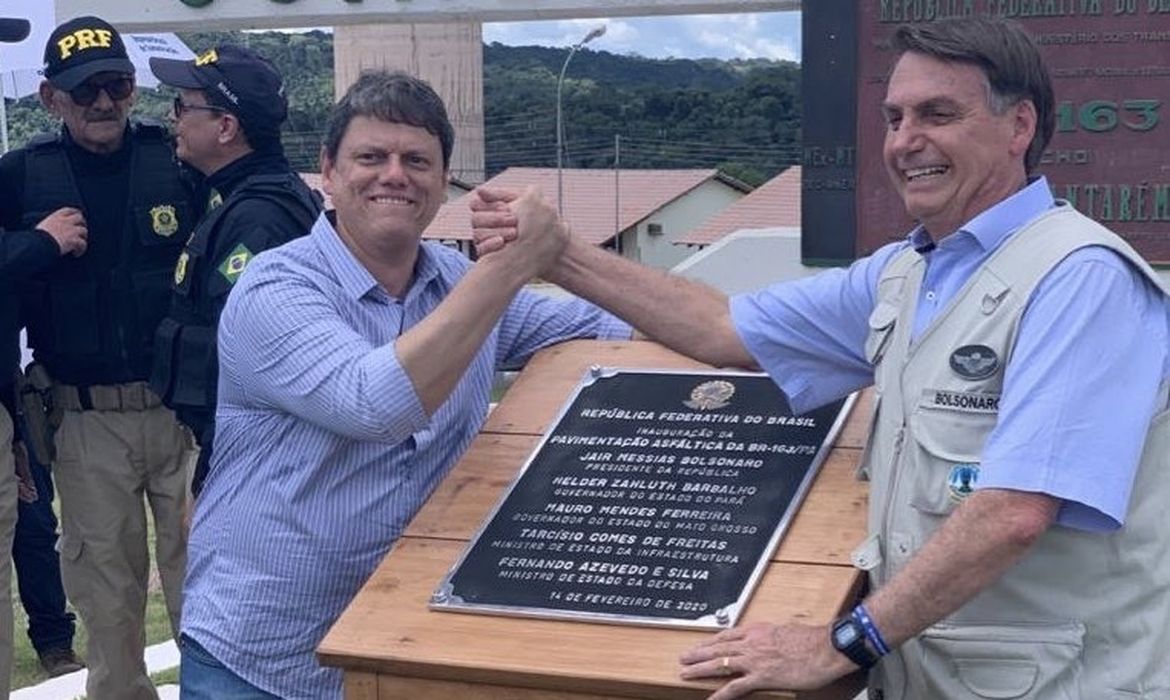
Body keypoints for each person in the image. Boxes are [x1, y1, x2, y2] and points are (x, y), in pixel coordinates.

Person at [472, 17, 1170, 700]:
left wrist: (845, 641)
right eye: (895, 118)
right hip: (926, 673)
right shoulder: (902, 273)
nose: (906, 141)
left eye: (938, 114)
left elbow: (1014, 509)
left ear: (1019, 126)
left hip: (1062, 681)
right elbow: (722, 327)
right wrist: (559, 253)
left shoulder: (1081, 277)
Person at [179, 70, 631, 699]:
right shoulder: (275, 288)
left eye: (417, 160)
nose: (395, 174)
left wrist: (563, 254)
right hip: (262, 661)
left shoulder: (459, 285)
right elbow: (374, 403)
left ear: (443, 181)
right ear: (328, 172)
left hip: (407, 653)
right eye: (371, 156)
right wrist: (505, 271)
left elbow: (620, 327)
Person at [0, 15, 196, 700]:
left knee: (205, 585)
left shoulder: (178, 161)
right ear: (52, 98)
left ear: (133, 86)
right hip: (84, 422)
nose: (104, 103)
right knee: (108, 600)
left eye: (114, 85)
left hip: (183, 412)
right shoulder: (21, 176)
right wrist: (37, 246)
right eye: (85, 91)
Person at [147, 44, 321, 499]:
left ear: (226, 127)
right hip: (240, 444)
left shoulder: (260, 218)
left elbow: (248, 355)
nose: (174, 119)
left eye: (183, 107)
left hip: (256, 454)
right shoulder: (235, 196)